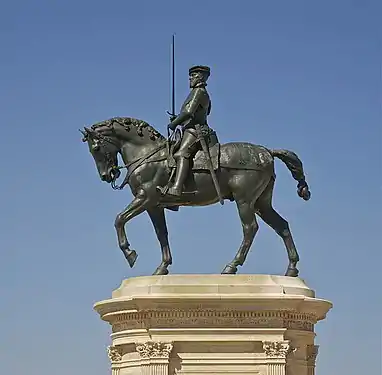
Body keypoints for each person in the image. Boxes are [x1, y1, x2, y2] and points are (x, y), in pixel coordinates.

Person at [164, 65, 212, 196]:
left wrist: (174, 123)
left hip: (195, 131)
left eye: (194, 75)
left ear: (201, 77)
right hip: (190, 128)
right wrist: (178, 119)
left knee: (181, 154)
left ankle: (177, 188)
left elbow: (188, 112)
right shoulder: (197, 92)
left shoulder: (199, 92)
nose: (190, 78)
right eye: (190, 76)